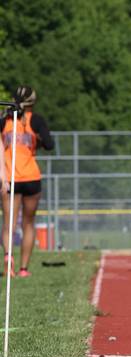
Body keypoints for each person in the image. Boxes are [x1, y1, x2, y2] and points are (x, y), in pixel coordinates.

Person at [1, 86, 54, 278]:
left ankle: (9, 261)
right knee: (29, 224)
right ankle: (23, 268)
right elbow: (49, 144)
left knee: (9, 224)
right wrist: (35, 140)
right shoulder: (36, 120)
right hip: (31, 178)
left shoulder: (5, 119)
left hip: (9, 177)